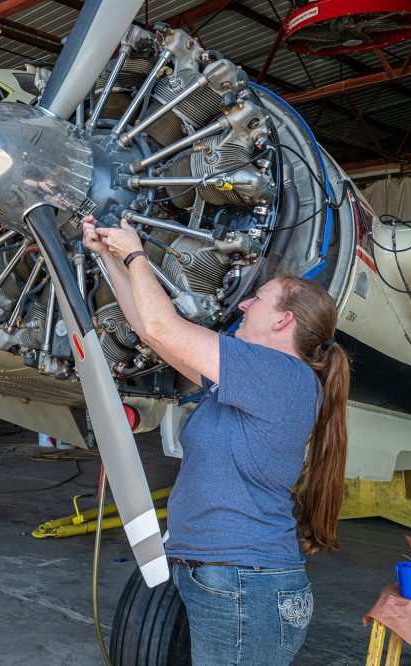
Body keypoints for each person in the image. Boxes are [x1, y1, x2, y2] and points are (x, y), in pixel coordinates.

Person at [81, 216, 350, 665]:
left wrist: (135, 254)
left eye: (258, 299)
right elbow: (157, 335)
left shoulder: (278, 375)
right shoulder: (250, 377)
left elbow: (160, 328)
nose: (243, 305)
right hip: (229, 580)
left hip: (246, 584)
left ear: (284, 320)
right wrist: (110, 259)